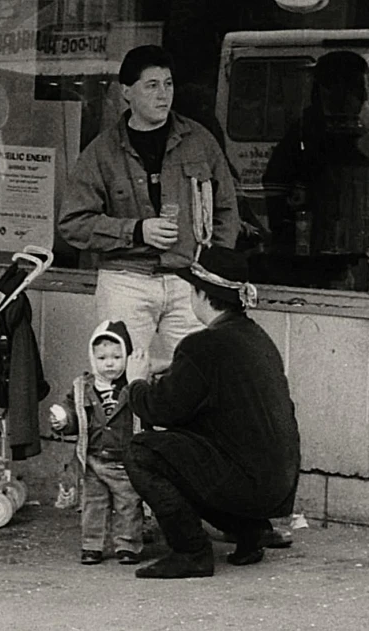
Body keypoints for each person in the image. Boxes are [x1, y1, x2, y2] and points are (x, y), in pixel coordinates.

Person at [57, 45, 243, 380]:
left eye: (168, 84)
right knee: (119, 379)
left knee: (198, 377)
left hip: (189, 279)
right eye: (152, 85)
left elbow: (227, 209)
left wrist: (213, 267)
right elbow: (73, 224)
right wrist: (136, 230)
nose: (163, 94)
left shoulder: (200, 141)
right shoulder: (101, 152)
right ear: (126, 91)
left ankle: (184, 437)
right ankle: (124, 436)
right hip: (125, 281)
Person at [120, 245, 302, 578]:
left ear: (203, 295)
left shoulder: (202, 344)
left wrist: (136, 384)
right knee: (192, 454)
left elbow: (161, 410)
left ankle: (191, 551)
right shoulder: (254, 336)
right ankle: (250, 532)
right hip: (277, 487)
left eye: (192, 290)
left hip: (246, 484)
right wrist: (172, 368)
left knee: (141, 451)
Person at [261, 49, 369, 292]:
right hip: (312, 255)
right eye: (356, 87)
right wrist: (291, 232)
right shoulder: (304, 133)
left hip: (349, 252)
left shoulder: (360, 134)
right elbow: (276, 186)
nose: (363, 97)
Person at [49, 319, 144, 565]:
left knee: (128, 506)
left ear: (128, 357)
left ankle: (128, 545)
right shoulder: (83, 387)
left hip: (125, 461)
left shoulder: (134, 386)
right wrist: (63, 420)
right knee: (93, 505)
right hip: (93, 459)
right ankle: (92, 545)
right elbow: (71, 411)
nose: (109, 363)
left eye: (116, 356)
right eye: (102, 358)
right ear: (93, 359)